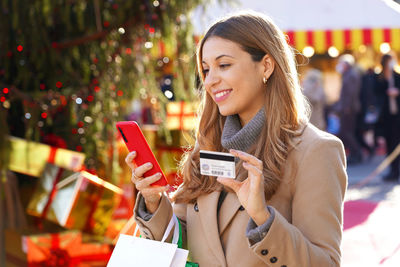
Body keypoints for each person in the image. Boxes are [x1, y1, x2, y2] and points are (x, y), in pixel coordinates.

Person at [126, 12, 347, 267]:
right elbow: (184, 240)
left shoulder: (316, 150)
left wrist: (262, 218)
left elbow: (325, 263)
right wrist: (154, 202)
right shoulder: (207, 143)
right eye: (206, 69)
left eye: (224, 65)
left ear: (266, 65)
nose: (210, 81)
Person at [334, 54, 363, 165]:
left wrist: (347, 107)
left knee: (347, 132)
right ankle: (355, 153)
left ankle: (357, 153)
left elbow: (351, 94)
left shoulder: (351, 75)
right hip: (347, 108)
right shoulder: (348, 75)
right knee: (347, 132)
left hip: (349, 109)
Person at [375, 54, 400, 182]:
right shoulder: (379, 78)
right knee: (389, 144)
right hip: (385, 117)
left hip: (397, 116)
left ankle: (397, 170)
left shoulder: (397, 77)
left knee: (397, 144)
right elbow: (376, 94)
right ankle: (393, 170)